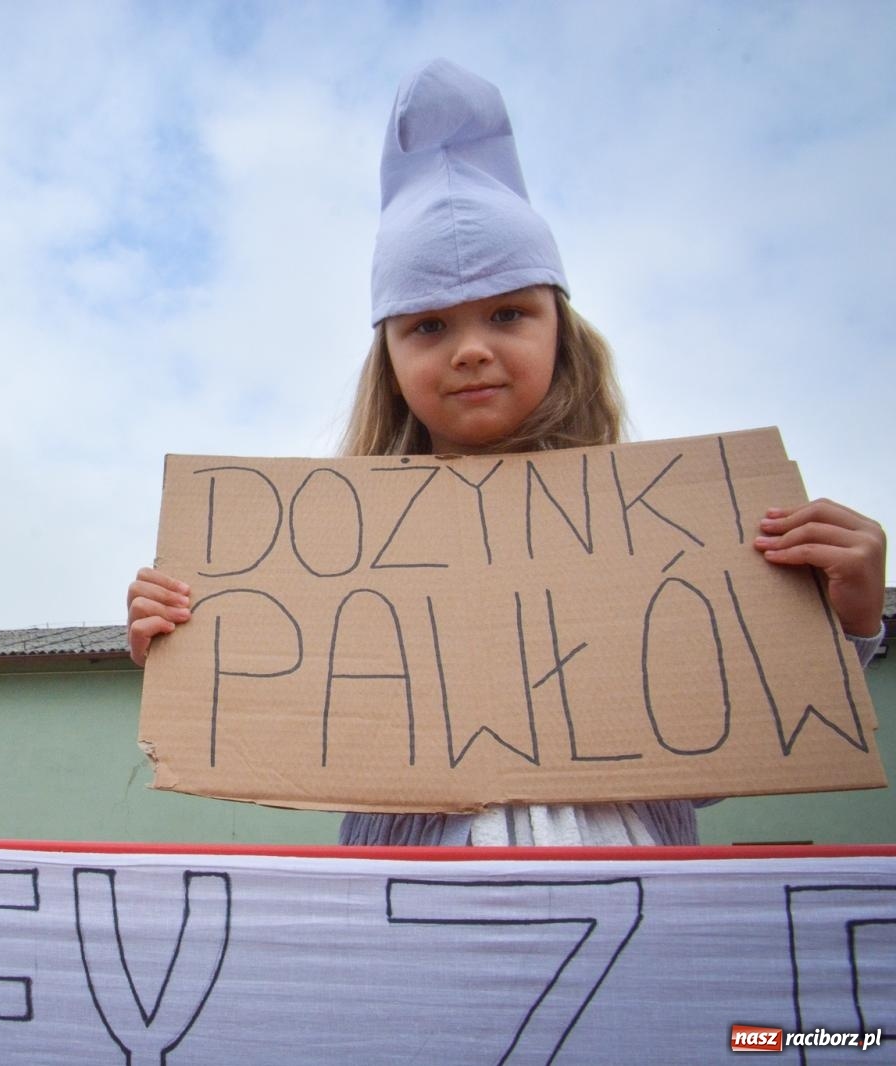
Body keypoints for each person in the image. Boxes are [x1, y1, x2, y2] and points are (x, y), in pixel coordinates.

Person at [126, 60, 886, 847]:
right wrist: (193, 643)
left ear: (560, 330)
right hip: (410, 913)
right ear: (387, 356)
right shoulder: (320, 557)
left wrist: (846, 623)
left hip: (640, 907)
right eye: (427, 325)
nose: (471, 350)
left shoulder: (668, 533)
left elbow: (719, 741)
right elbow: (285, 733)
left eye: (508, 313)